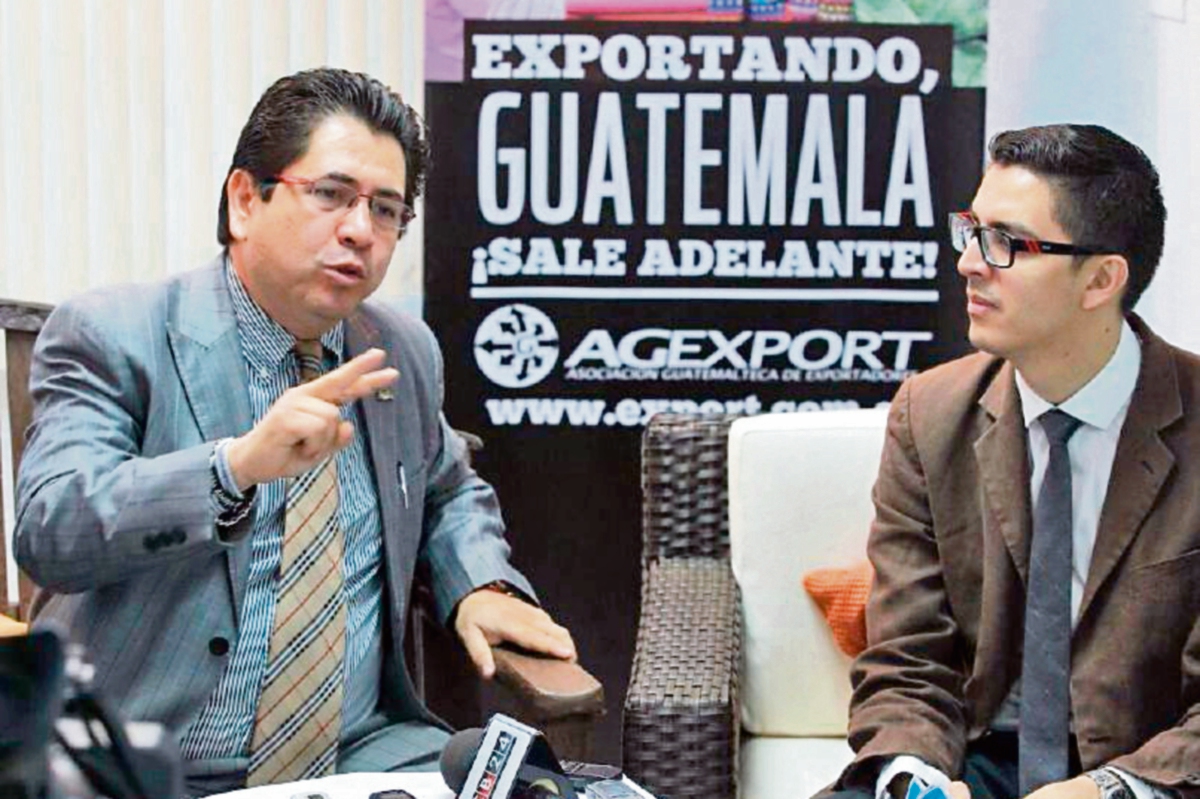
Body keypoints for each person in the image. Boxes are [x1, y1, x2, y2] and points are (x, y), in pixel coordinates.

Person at [14, 67, 576, 796]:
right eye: (332, 195)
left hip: (361, 755)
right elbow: (51, 530)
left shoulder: (398, 349)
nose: (359, 231)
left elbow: (445, 486)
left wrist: (481, 582)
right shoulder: (114, 334)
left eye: (385, 210)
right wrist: (234, 467)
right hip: (148, 761)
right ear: (246, 199)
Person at [823, 124, 1200, 799]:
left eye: (1006, 243)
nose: (970, 261)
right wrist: (915, 775)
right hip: (974, 759)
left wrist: (1110, 788)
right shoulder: (931, 414)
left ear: (1101, 279)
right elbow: (909, 660)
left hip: (1151, 773)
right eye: (971, 230)